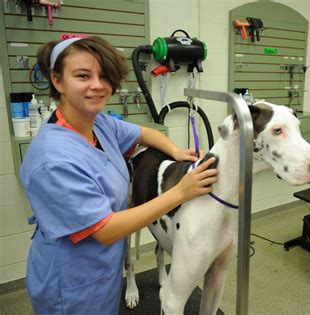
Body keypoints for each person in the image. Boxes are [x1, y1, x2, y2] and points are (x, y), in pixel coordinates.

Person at [19, 36, 218, 314]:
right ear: (58, 81)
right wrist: (179, 193)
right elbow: (105, 229)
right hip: (72, 282)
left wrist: (176, 151)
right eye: (83, 76)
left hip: (103, 270)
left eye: (105, 76)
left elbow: (143, 133)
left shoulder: (96, 122)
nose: (97, 85)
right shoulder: (54, 159)